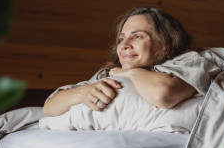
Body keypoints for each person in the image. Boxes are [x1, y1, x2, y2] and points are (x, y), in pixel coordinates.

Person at [42, 7, 198, 117]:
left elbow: (163, 94)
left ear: (164, 45)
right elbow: (49, 108)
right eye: (121, 39)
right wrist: (84, 92)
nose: (124, 45)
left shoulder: (190, 62)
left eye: (137, 36)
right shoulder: (109, 73)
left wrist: (129, 73)